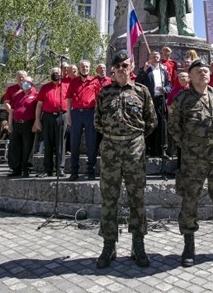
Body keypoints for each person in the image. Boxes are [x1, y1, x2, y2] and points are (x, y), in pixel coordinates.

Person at [169, 59, 213, 267]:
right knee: (190, 202)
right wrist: (190, 146)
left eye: (206, 71)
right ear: (189, 76)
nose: (204, 74)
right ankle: (189, 247)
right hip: (193, 160)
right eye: (199, 71)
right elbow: (173, 128)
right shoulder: (181, 98)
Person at [94, 51, 157, 269]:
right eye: (118, 65)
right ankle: (109, 245)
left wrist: (133, 137)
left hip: (134, 150)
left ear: (131, 68)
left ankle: (137, 245)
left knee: (136, 198)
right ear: (112, 69)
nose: (121, 68)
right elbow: (97, 122)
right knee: (109, 198)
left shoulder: (142, 92)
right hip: (110, 149)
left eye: (125, 65)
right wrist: (115, 137)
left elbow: (151, 121)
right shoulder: (104, 93)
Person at [66, 60, 101, 181]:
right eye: (82, 66)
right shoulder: (73, 82)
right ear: (79, 68)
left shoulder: (95, 81)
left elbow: (99, 99)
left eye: (87, 67)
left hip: (90, 113)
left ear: (89, 68)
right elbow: (69, 99)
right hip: (76, 113)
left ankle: (90, 170)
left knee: (91, 143)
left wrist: (98, 115)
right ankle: (74, 171)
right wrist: (68, 115)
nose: (84, 68)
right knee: (74, 143)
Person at [34, 67, 68, 177]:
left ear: (61, 74)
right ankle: (47, 169)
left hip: (62, 116)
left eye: (57, 73)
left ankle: (60, 168)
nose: (55, 74)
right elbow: (39, 104)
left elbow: (71, 102)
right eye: (53, 73)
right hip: (47, 117)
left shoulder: (66, 86)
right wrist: (37, 119)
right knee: (48, 143)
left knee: (60, 144)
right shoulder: (45, 87)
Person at [136, 51, 172, 157]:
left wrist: (165, 89)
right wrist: (144, 71)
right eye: (153, 56)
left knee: (162, 125)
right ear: (150, 58)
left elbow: (169, 84)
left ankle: (162, 150)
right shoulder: (145, 69)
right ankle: (148, 149)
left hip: (160, 100)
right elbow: (138, 82)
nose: (155, 58)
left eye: (157, 56)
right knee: (149, 124)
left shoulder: (163, 70)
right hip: (149, 100)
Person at [8, 76, 38, 178]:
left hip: (29, 124)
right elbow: (12, 111)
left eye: (28, 82)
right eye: (24, 82)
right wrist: (10, 124)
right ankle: (16, 169)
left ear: (32, 84)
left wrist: (36, 123)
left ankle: (27, 169)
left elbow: (39, 111)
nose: (26, 83)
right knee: (15, 147)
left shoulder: (36, 95)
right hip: (16, 124)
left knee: (28, 147)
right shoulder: (17, 95)